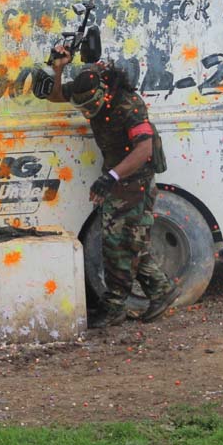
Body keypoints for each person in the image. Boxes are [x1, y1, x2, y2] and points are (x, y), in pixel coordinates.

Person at [48, 47, 181, 328]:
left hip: (135, 180)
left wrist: (110, 177)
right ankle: (160, 290)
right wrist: (58, 69)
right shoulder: (87, 87)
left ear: (104, 92)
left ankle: (115, 307)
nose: (87, 111)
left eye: (91, 105)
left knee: (118, 244)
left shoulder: (129, 105)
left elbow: (144, 150)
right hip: (118, 178)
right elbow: (55, 95)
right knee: (127, 241)